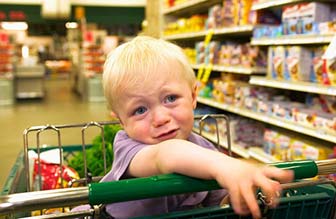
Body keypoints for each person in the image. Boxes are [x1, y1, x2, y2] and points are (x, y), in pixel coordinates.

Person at [76, 36, 294, 218]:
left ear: (193, 96)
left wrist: (241, 198)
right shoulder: (128, 147)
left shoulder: (203, 148)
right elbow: (166, 155)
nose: (160, 118)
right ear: (121, 122)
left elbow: (217, 202)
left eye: (170, 98)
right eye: (140, 110)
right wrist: (227, 165)